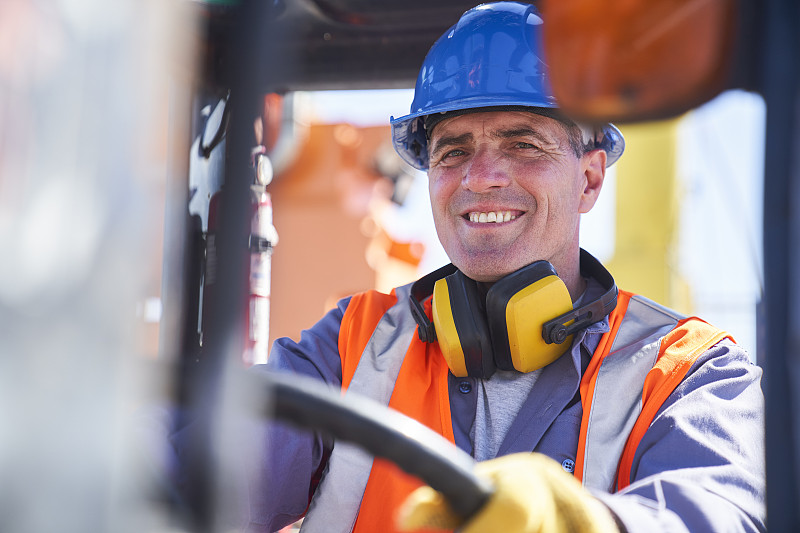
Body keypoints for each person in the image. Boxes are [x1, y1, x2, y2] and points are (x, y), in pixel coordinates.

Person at [250, 2, 765, 532]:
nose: (481, 177)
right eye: (452, 151)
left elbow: (717, 512)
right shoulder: (353, 345)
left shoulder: (688, 372)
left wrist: (587, 524)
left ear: (589, 180)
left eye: (523, 143)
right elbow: (213, 458)